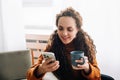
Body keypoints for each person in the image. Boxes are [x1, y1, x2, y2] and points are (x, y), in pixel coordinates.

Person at [27, 7, 101, 80]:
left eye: (70, 29)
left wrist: (87, 68)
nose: (64, 33)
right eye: (60, 28)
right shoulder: (52, 46)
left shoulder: (85, 46)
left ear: (77, 29)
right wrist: (41, 69)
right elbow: (29, 76)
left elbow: (97, 76)